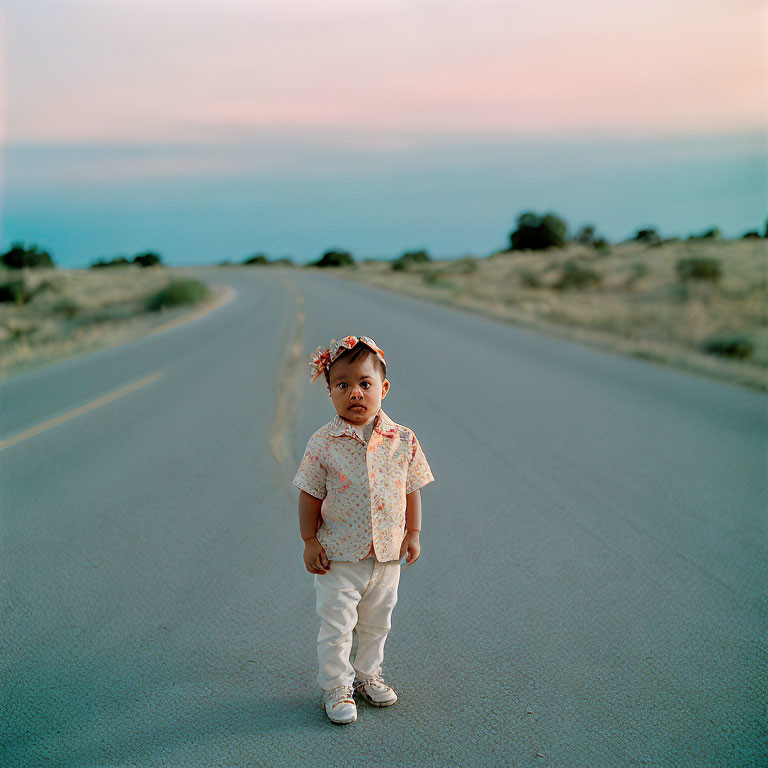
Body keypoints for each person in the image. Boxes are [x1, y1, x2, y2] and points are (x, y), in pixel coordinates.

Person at [292, 335, 434, 724]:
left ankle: (368, 675)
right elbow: (310, 496)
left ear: (383, 388)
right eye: (343, 385)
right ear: (330, 392)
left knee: (376, 622)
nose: (355, 392)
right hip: (338, 556)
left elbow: (411, 489)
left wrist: (414, 533)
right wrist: (309, 541)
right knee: (338, 624)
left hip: (386, 557)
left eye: (365, 383)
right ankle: (337, 686)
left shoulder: (403, 439)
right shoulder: (323, 443)